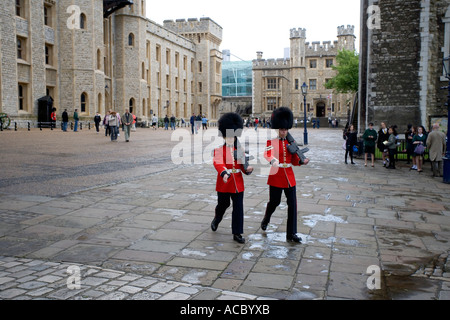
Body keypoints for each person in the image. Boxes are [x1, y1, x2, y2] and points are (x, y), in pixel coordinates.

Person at [261, 107, 310, 243]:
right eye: (282, 129)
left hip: (289, 177)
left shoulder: (291, 143)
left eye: (286, 129)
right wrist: (273, 160)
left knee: (293, 205)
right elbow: (267, 153)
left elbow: (294, 161)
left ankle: (291, 233)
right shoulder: (272, 142)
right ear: (278, 129)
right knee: (274, 202)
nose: (284, 131)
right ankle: (267, 217)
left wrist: (302, 161)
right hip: (276, 176)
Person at [211, 113, 254, 244]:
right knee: (223, 205)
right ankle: (217, 218)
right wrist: (224, 173)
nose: (230, 139)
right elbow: (218, 163)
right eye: (228, 137)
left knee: (238, 208)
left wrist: (247, 170)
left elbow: (242, 165)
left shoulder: (239, 149)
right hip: (224, 182)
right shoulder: (219, 150)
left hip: (237, 183)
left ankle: (237, 232)